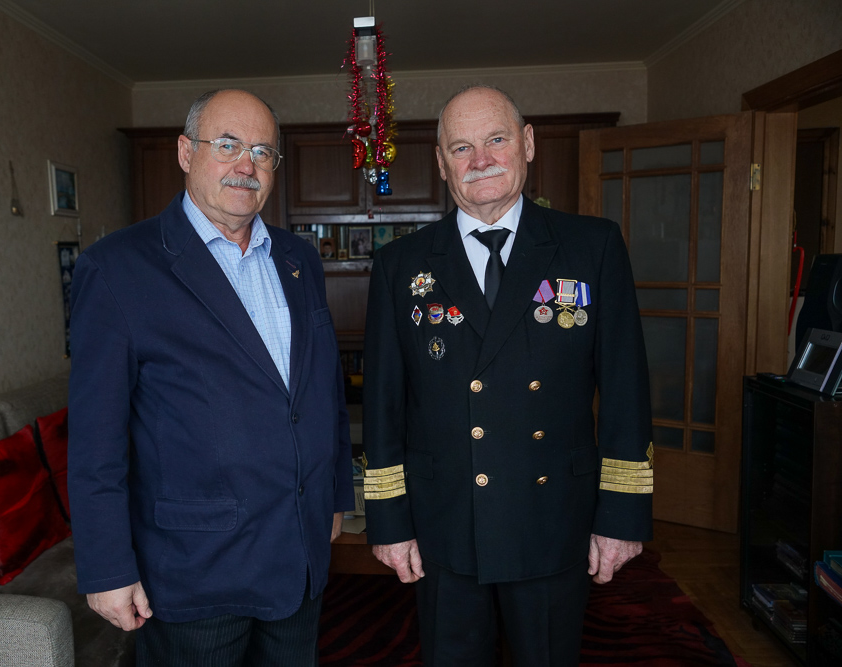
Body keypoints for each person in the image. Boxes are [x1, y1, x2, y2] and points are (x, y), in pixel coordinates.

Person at [362, 85, 654, 666]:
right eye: (461, 148)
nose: (481, 160)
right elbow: (383, 405)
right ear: (442, 162)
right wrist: (389, 521)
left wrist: (622, 515)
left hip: (553, 518)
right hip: (445, 522)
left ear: (527, 144)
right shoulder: (401, 263)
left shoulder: (591, 246)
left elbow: (626, 389)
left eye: (496, 140)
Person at [68, 89, 354, 666]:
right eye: (227, 145)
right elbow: (96, 438)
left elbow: (322, 392)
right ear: (185, 152)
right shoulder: (118, 266)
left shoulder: (298, 260)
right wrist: (107, 568)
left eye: (262, 152)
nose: (246, 165)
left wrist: (333, 497)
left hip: (297, 554)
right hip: (193, 569)